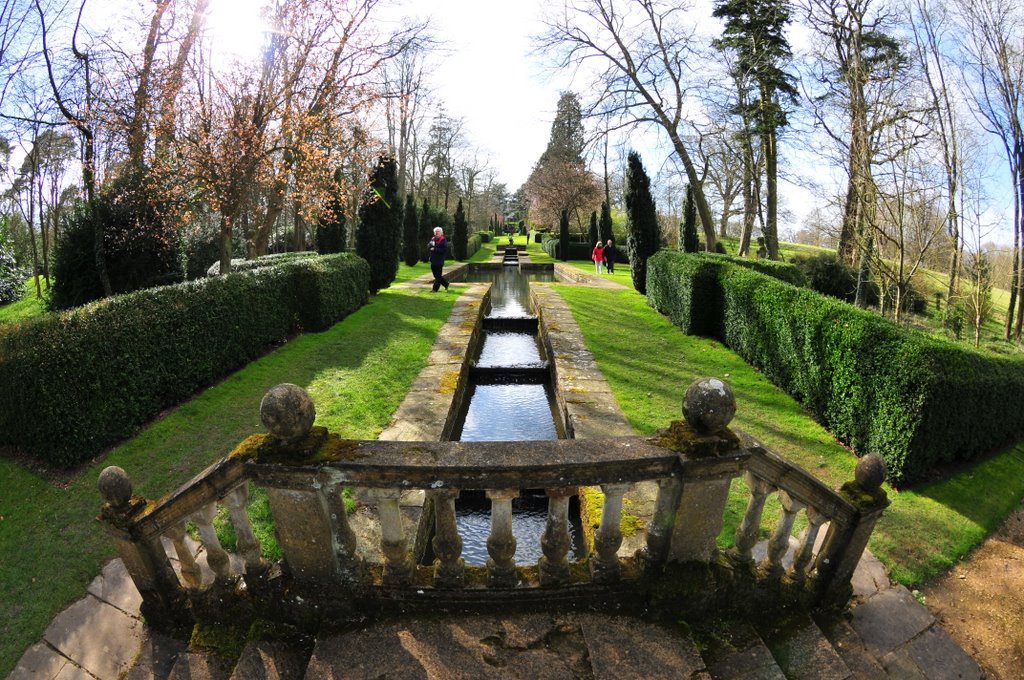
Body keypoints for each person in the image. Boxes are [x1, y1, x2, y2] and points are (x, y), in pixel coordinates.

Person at [429, 227, 450, 292]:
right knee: (436, 275)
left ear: (441, 233)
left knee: (438, 276)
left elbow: (444, 249)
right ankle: (446, 283)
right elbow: (429, 246)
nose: (436, 233)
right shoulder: (433, 239)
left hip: (439, 261)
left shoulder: (443, 240)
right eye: (435, 232)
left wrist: (435, 249)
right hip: (433, 260)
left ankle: (434, 289)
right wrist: (429, 246)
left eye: (438, 232)